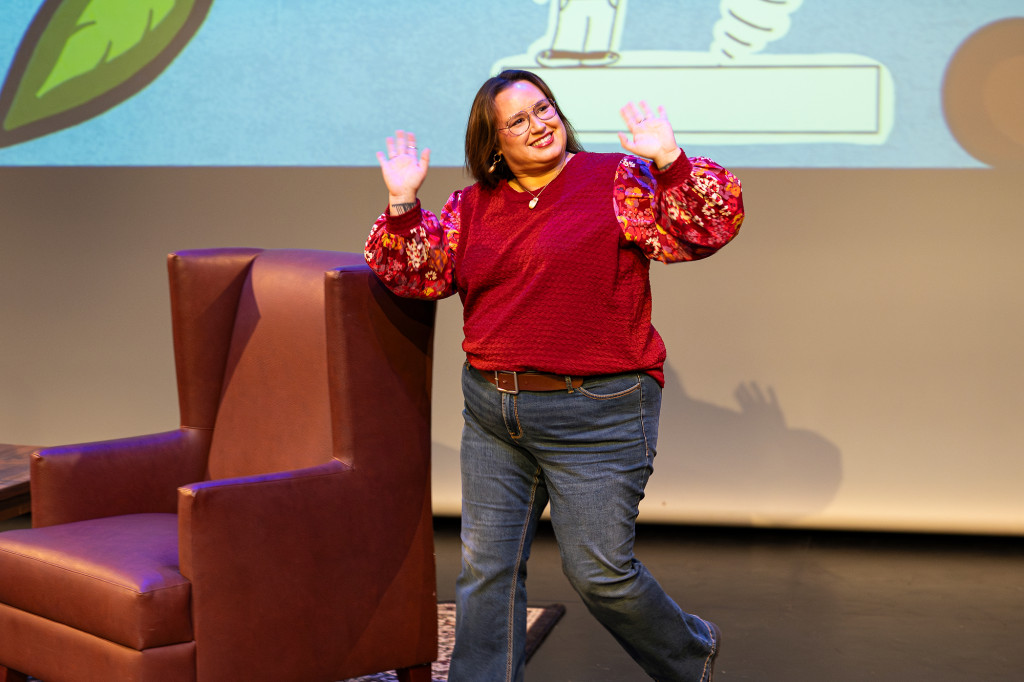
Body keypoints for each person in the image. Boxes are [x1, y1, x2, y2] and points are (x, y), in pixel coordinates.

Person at [364, 69, 744, 682]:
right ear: (493, 145)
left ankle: (688, 655)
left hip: (598, 413)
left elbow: (705, 229)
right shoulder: (470, 206)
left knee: (600, 574)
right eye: (517, 121)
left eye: (544, 110)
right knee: (485, 570)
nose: (539, 125)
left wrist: (670, 159)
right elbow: (417, 274)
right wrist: (404, 202)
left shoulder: (617, 180)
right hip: (493, 413)